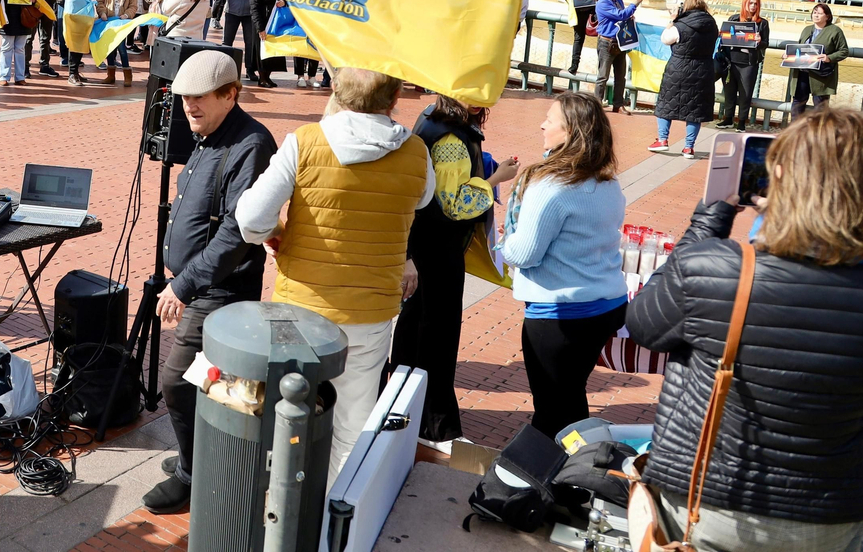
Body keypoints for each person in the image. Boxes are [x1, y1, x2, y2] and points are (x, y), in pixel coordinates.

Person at [627, 108, 863, 551]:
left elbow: (644, 324)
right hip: (832, 513)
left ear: (780, 177)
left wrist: (711, 219)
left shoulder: (716, 269)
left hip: (714, 505)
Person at [238, 67, 431, 486]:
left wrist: (273, 233)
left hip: (301, 310)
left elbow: (251, 218)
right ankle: (334, 524)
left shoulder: (306, 141)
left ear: (336, 90)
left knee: (286, 414)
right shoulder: (417, 151)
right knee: (354, 426)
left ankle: (282, 511)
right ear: (396, 95)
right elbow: (424, 196)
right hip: (372, 311)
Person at [142, 50, 277, 513]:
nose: (189, 108)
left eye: (199, 99)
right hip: (201, 285)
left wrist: (183, 285)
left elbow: (235, 235)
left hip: (221, 289)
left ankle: (197, 473)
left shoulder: (252, 145)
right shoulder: (209, 132)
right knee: (212, 379)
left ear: (230, 95)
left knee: (180, 381)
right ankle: (206, 456)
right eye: (184, 100)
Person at [497, 92, 626, 437]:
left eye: (550, 119)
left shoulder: (551, 185)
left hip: (561, 315)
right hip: (605, 304)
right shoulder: (607, 182)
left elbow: (524, 254)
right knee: (570, 397)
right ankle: (574, 475)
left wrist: (505, 241)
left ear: (569, 131)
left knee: (552, 410)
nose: (542, 124)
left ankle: (552, 481)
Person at [392, 95, 514, 443]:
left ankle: (404, 408)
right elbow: (455, 204)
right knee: (437, 336)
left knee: (416, 328)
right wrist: (495, 180)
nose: (479, 98)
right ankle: (437, 425)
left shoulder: (433, 116)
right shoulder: (450, 136)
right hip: (438, 247)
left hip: (424, 243)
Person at [649, 0, 721, 160]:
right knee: (696, 110)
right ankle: (688, 148)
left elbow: (665, 39)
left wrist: (672, 20)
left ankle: (662, 140)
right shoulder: (712, 25)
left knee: (666, 103)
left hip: (678, 69)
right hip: (703, 70)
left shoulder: (680, 25)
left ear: (686, 8)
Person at [251, 0, 314, 89]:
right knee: (262, 52)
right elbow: (254, 9)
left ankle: (268, 77)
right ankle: (262, 78)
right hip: (263, 24)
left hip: (276, 25)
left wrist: (283, 2)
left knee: (273, 52)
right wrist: (260, 28)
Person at [716, 0, 770, 132]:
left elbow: (765, 43)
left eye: (755, 3)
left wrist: (759, 42)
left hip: (748, 63)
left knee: (745, 93)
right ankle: (728, 119)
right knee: (729, 91)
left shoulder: (762, 23)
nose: (753, 6)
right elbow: (724, 38)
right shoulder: (733, 19)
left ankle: (741, 121)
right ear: (744, 4)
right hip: (730, 61)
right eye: (750, 3)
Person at [593, 0, 645, 113]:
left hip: (620, 42)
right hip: (606, 42)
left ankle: (618, 104)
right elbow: (620, 15)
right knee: (603, 76)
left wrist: (629, 16)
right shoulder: (603, 3)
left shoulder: (618, 1)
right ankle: (597, 105)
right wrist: (635, 3)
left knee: (620, 75)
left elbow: (623, 16)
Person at [789, 2, 848, 119]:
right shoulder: (807, 29)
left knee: (820, 107)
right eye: (814, 13)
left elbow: (844, 51)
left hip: (821, 75)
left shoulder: (835, 31)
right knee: (797, 104)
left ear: (827, 16)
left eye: (819, 13)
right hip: (802, 73)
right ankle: (795, 132)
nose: (816, 15)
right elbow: (799, 49)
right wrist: (789, 56)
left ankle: (819, 134)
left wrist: (829, 58)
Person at [95, 0, 140, 86]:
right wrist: (102, 12)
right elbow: (100, 1)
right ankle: (111, 75)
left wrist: (127, 15)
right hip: (109, 21)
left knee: (121, 48)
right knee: (110, 48)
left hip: (121, 22)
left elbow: (133, 5)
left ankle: (127, 75)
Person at [561, 0, 603, 75]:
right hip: (580, 13)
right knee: (578, 39)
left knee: (601, 40)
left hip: (595, 15)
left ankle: (601, 68)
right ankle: (574, 65)